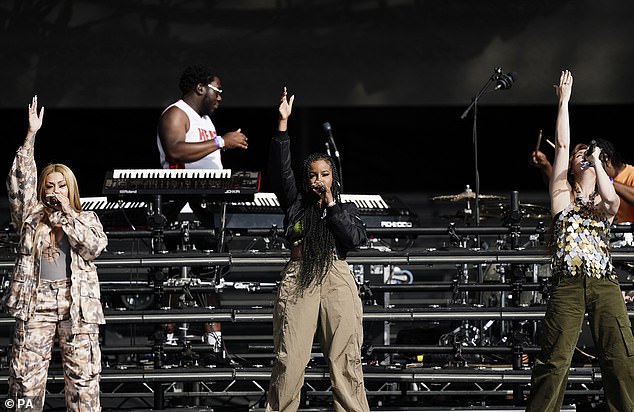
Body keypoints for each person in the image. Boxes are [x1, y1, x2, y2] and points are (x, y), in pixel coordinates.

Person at [525, 70, 634, 411]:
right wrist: (563, 102)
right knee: (555, 361)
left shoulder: (605, 203)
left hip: (604, 283)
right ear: (571, 168)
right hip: (568, 285)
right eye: (579, 155)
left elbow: (612, 196)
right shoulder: (561, 195)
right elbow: (560, 144)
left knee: (620, 357)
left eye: (589, 154)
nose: (583, 155)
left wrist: (599, 160)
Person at [264, 87, 370, 412]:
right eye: (313, 175)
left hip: (336, 275)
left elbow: (354, 239)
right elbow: (280, 171)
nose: (319, 180)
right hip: (300, 277)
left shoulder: (344, 207)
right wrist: (282, 124)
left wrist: (333, 207)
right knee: (291, 360)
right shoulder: (296, 203)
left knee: (346, 360)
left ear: (333, 178)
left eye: (325, 175)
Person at [5, 96, 108, 411]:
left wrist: (68, 215)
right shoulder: (29, 216)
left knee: (84, 384)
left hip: (77, 309)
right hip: (35, 305)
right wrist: (31, 135)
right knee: (23, 382)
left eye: (61, 186)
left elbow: (94, 248)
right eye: (49, 186)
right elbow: (19, 183)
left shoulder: (86, 218)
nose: (54, 191)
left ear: (70, 189)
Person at [156, 64, 249, 248]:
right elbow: (174, 151)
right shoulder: (177, 113)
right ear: (200, 88)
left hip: (208, 201)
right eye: (217, 91)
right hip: (185, 204)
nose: (220, 97)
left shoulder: (206, 120)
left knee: (217, 264)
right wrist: (221, 142)